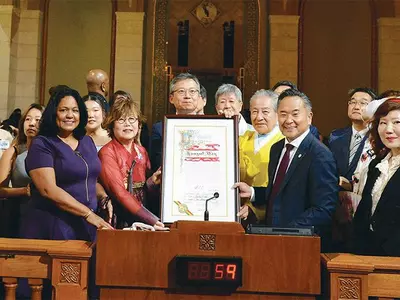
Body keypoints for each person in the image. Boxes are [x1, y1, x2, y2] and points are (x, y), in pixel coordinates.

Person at [234, 89, 338, 250]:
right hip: (273, 239)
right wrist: (253, 192)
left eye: (295, 114)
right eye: (283, 114)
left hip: (300, 243)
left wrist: (288, 230)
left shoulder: (320, 154)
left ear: (309, 117)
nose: (289, 120)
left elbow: (324, 209)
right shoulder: (277, 149)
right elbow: (278, 192)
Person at [99, 99, 167, 230]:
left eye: (132, 119)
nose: (127, 124)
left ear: (139, 124)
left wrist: (152, 182)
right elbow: (119, 193)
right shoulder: (107, 152)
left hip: (143, 215)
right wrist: (151, 219)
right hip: (119, 218)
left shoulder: (141, 151)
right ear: (112, 125)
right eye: (121, 120)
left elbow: (145, 190)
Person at [352, 98, 400, 256]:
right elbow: (364, 213)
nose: (388, 129)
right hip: (369, 255)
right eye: (383, 122)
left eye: (397, 122)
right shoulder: (376, 164)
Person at [238, 89, 284, 222]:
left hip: (269, 212)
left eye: (265, 112)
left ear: (277, 114)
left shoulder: (284, 142)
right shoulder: (242, 138)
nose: (258, 117)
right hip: (237, 210)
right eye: (254, 111)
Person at [0, 104, 43, 237]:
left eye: (37, 120)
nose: (31, 124)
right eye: (28, 119)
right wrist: (25, 191)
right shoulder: (14, 152)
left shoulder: (50, 152)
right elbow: (1, 190)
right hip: (18, 211)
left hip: (45, 212)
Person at [150, 73, 202, 171]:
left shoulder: (211, 127)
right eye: (181, 91)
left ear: (199, 97)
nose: (187, 96)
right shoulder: (160, 129)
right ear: (171, 98)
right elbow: (156, 163)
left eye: (192, 91)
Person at [329, 88, 376, 189]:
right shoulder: (335, 136)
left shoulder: (377, 139)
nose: (356, 107)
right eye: (353, 102)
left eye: (363, 103)